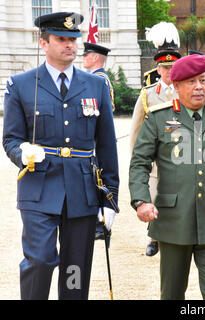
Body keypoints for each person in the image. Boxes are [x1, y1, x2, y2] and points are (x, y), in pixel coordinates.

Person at [2, 12, 119, 300]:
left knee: (75, 269)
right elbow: (11, 139)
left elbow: (106, 145)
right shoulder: (22, 84)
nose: (70, 45)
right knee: (40, 261)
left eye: (73, 39)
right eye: (62, 39)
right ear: (44, 43)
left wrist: (110, 199)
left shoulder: (95, 85)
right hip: (38, 187)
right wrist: (21, 152)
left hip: (82, 190)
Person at [129, 54, 205, 300]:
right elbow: (139, 163)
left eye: (203, 80)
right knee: (173, 292)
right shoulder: (158, 117)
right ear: (176, 86)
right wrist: (141, 200)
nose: (199, 87)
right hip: (173, 219)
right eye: (191, 82)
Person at [129, 21, 182, 257]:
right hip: (155, 161)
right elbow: (136, 130)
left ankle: (174, 235)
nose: (169, 72)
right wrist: (137, 160)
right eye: (165, 68)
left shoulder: (187, 92)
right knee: (155, 198)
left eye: (173, 67)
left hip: (181, 156)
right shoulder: (148, 95)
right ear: (158, 69)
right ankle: (154, 237)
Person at [83, 40, 115, 243]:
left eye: (86, 55)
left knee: (97, 178)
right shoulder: (98, 78)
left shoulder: (98, 79)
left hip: (96, 136)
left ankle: (101, 224)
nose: (83, 57)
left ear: (95, 57)